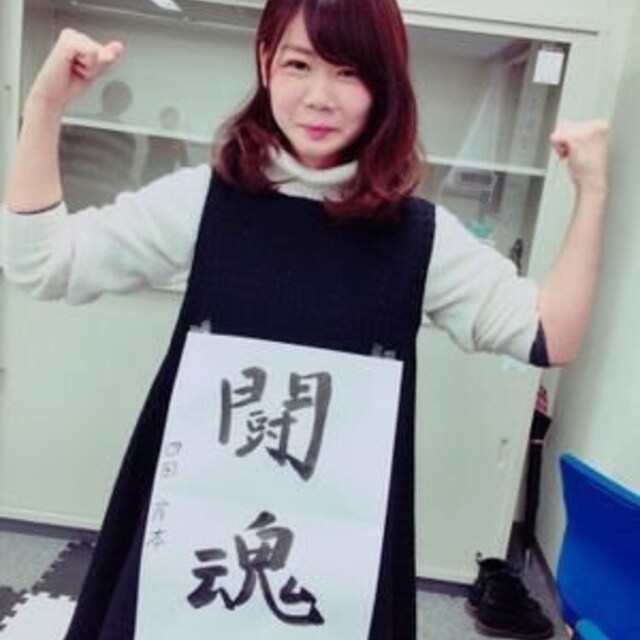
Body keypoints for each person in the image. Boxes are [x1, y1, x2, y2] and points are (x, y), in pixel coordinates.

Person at [2, 0, 609, 638]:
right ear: (266, 63)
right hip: (191, 541)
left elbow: (550, 335)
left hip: (331, 570)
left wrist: (592, 192)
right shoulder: (203, 201)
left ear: (385, 84)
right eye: (299, 64)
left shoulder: (419, 237)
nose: (320, 96)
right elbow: (43, 263)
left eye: (349, 72)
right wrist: (45, 106)